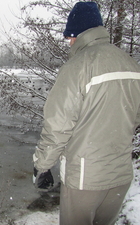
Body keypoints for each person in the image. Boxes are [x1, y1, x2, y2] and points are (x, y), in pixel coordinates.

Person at [32, 2, 140, 225]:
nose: (69, 42)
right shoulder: (131, 64)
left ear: (78, 34)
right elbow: (135, 118)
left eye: (70, 36)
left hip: (85, 179)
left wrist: (42, 166)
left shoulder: (76, 67)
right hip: (120, 176)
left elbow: (57, 127)